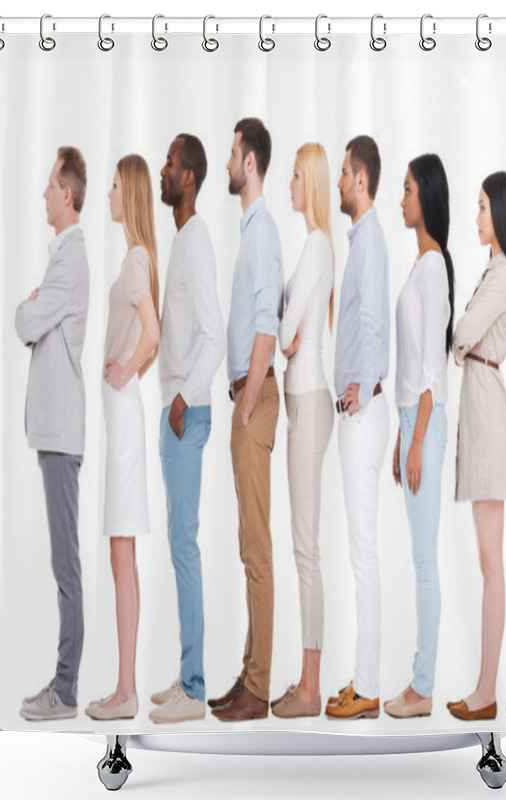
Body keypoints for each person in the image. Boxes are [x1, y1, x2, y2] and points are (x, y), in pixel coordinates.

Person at [149, 134, 225, 723]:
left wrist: (180, 398)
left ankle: (194, 689)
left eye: (171, 164)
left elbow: (214, 337)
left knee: (184, 547)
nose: (162, 170)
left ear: (190, 177)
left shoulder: (196, 243)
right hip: (178, 411)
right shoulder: (184, 240)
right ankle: (186, 676)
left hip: (186, 415)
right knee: (181, 546)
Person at [210, 118, 283, 722]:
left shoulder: (262, 234)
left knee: (256, 548)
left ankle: (258, 689)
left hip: (252, 396)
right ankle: (248, 675)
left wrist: (247, 397)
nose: (228, 162)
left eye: (234, 153)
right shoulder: (251, 231)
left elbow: (268, 324)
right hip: (249, 393)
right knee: (246, 543)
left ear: (251, 162)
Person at [16, 147, 89, 721]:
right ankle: (62, 685)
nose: (43, 194)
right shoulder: (60, 257)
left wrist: (31, 307)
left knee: (66, 563)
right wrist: (31, 308)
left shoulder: (70, 261)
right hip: (54, 432)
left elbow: (26, 321)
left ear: (67, 195)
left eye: (49, 186)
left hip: (62, 434)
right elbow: (29, 320)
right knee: (61, 560)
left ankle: (65, 690)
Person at [86, 154, 160, 721]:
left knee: (121, 553)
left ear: (128, 192)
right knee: (121, 554)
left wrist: (126, 368)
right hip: (121, 417)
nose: (107, 194)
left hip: (126, 416)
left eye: (113, 186)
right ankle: (125, 686)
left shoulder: (136, 259)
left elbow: (152, 332)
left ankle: (126, 689)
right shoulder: (135, 257)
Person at [448, 171, 506, 722]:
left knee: (492, 563)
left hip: (490, 413)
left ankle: (486, 690)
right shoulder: (492, 269)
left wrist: (460, 342)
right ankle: (482, 686)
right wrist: (460, 342)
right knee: (485, 560)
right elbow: (461, 336)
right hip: (479, 409)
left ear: (498, 210)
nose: (475, 217)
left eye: (479, 207)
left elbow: (463, 331)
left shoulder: (503, 274)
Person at [385, 154, 454, 719]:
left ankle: (423, 686)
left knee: (425, 561)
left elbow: (432, 368)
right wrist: (398, 433)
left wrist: (415, 438)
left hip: (425, 425)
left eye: (406, 189)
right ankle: (419, 683)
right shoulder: (420, 266)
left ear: (426, 196)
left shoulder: (434, 269)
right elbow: (410, 366)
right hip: (412, 423)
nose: (400, 198)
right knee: (418, 558)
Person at [325, 135, 390, 720]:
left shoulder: (368, 241)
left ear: (361, 180)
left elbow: (373, 320)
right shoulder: (361, 241)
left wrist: (363, 385)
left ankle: (368, 687)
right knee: (359, 552)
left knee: (363, 554)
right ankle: (361, 679)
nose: (339, 182)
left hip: (362, 416)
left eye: (344, 172)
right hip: (362, 411)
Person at [270, 143, 335, 719]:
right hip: (306, 400)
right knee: (304, 546)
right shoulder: (312, 247)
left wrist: (283, 331)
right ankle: (306, 680)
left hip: (309, 399)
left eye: (294, 175)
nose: (288, 183)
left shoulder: (316, 246)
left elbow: (288, 332)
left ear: (308, 183)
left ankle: (311, 689)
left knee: (305, 548)